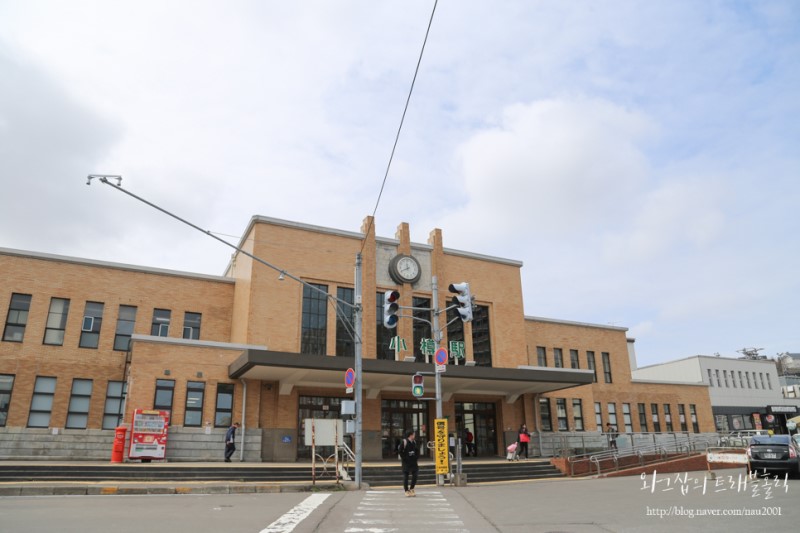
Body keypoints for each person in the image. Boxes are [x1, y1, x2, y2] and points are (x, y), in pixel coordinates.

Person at [398, 429, 419, 497]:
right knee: (406, 476)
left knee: (415, 475)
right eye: (414, 434)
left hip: (413, 462)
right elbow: (400, 451)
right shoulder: (404, 442)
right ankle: (406, 491)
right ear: (411, 435)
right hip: (406, 462)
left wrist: (416, 457)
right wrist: (405, 458)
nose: (414, 435)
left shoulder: (414, 442)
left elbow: (417, 451)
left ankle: (412, 489)